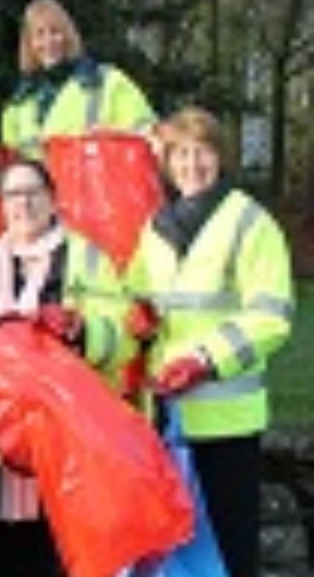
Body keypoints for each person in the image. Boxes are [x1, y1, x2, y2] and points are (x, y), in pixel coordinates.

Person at [124, 106, 293, 577]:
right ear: (167, 162)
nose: (191, 165)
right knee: (178, 552)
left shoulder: (250, 223)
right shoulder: (157, 227)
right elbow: (134, 293)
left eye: (203, 152)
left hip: (227, 420)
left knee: (229, 550)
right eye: (180, 154)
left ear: (221, 157)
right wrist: (136, 315)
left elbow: (272, 315)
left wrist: (204, 359)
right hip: (168, 416)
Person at [0, 158, 129, 577]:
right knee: (10, 551)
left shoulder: (87, 258)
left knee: (64, 549)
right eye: (13, 194)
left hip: (70, 437)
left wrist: (82, 332)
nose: (23, 203)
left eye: (33, 192)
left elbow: (123, 337)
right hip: (1, 444)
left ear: (52, 200)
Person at [0, 0, 155, 160]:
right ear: (29, 45)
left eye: (55, 32)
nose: (48, 42)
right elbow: (10, 157)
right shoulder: (19, 102)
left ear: (68, 36)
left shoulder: (106, 81)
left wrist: (110, 134)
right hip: (38, 175)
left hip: (96, 170)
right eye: (39, 35)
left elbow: (147, 132)